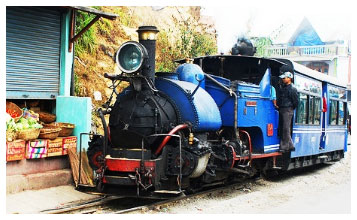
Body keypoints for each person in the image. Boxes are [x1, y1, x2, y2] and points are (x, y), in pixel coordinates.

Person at [277, 71, 298, 153]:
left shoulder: (292, 89)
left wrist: (291, 109)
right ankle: (291, 145)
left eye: (284, 78)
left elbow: (295, 101)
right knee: (284, 128)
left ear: (289, 78)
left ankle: (285, 146)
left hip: (288, 109)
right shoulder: (284, 88)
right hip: (283, 109)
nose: (283, 79)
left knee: (286, 128)